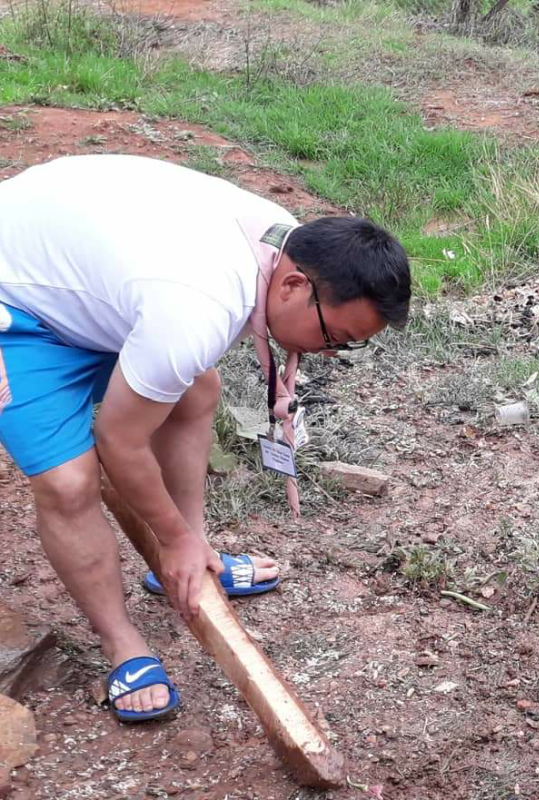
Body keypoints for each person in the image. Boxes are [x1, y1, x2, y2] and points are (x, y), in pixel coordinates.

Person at [0, 154, 411, 722]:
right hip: (16, 310)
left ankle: (194, 557)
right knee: (68, 481)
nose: (331, 353)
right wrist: (168, 536)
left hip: (78, 280)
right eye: (334, 336)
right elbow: (119, 441)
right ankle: (121, 640)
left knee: (194, 389)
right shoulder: (197, 306)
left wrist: (183, 540)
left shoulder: (287, 243)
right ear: (293, 285)